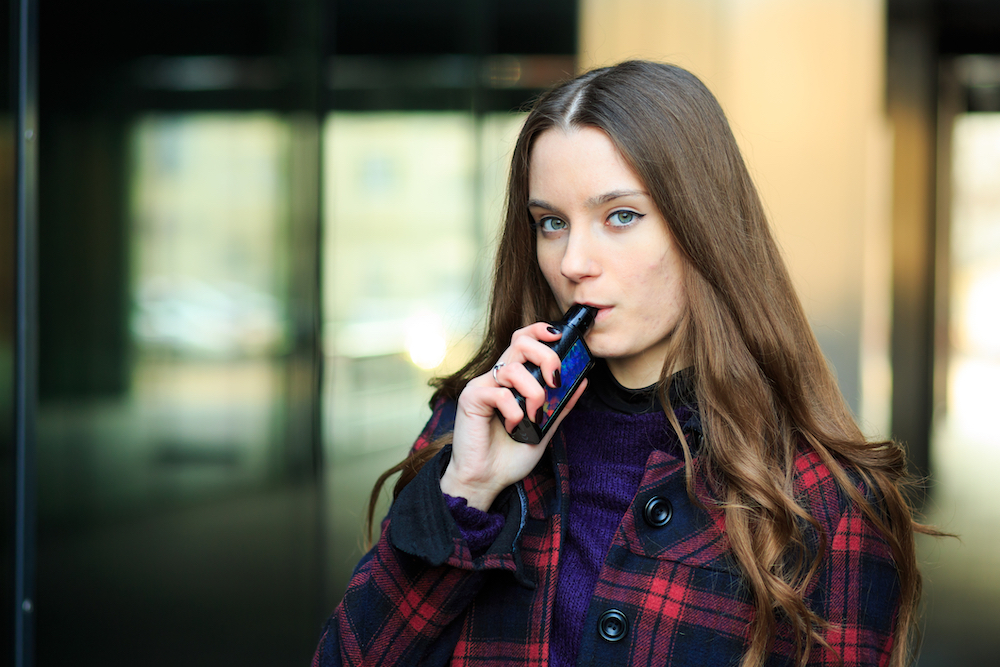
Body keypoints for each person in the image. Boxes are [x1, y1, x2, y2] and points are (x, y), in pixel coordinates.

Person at [313, 60, 928, 667]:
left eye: (621, 217)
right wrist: (469, 493)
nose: (574, 261)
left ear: (702, 227)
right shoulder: (478, 424)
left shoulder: (822, 496)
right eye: (551, 223)